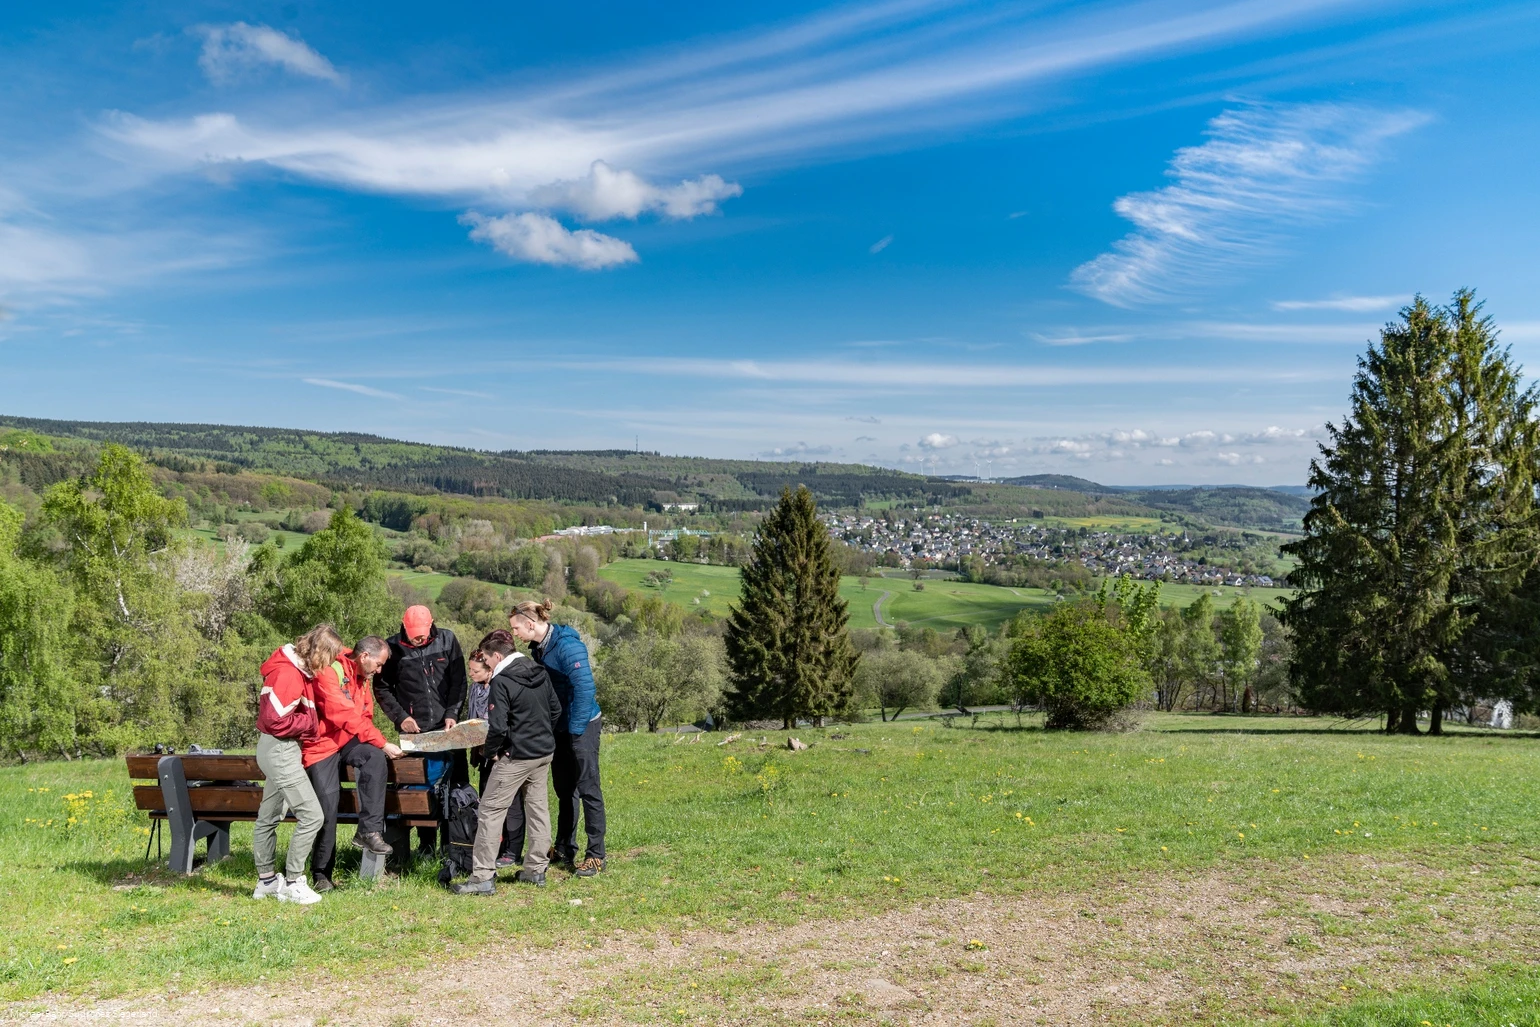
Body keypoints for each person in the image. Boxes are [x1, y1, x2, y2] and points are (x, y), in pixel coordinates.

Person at [452, 632, 562, 894]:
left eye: (487, 659)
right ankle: (535, 870)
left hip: (515, 757)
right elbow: (555, 710)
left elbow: (498, 727)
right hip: (543, 753)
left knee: (490, 812)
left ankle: (482, 878)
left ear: (497, 656)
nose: (486, 664)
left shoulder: (501, 681)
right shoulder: (539, 671)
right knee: (538, 810)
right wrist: (540, 737)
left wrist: (492, 752)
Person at [507, 599, 606, 876]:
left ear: (530, 623)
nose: (515, 633)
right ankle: (564, 847)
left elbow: (585, 689)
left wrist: (575, 732)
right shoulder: (540, 648)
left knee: (588, 789)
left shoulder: (567, 646)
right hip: (560, 727)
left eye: (516, 628)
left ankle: (596, 854)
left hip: (583, 725)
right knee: (564, 790)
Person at [303, 635, 403, 891]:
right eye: (378, 665)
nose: (379, 671)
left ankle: (368, 832)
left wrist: (376, 745)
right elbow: (341, 713)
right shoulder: (329, 670)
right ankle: (321, 873)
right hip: (322, 744)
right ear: (364, 657)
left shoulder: (362, 677)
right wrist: (382, 741)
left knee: (373, 758)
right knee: (328, 808)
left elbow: (364, 715)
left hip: (346, 739)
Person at [251, 624, 338, 905]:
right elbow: (274, 719)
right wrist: (309, 723)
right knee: (313, 815)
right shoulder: (288, 673)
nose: (329, 665)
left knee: (270, 815)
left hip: (274, 748)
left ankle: (266, 882)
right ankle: (293, 881)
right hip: (280, 750)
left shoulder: (294, 668)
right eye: (329, 658)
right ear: (318, 652)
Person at [376, 604, 467, 854]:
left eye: (423, 633)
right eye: (413, 632)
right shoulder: (392, 648)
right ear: (404, 626)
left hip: (449, 731)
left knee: (455, 788)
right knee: (418, 790)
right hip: (413, 733)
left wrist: (452, 713)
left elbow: (460, 682)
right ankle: (425, 846)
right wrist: (401, 717)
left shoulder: (448, 640)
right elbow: (382, 688)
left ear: (432, 624)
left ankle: (454, 848)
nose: (419, 637)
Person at [467, 635, 525, 869]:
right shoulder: (474, 689)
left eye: (475, 670)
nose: (471, 674)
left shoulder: (500, 685)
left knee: (511, 803)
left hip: (503, 752)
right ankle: (495, 847)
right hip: (482, 753)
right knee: (487, 802)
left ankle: (513, 850)